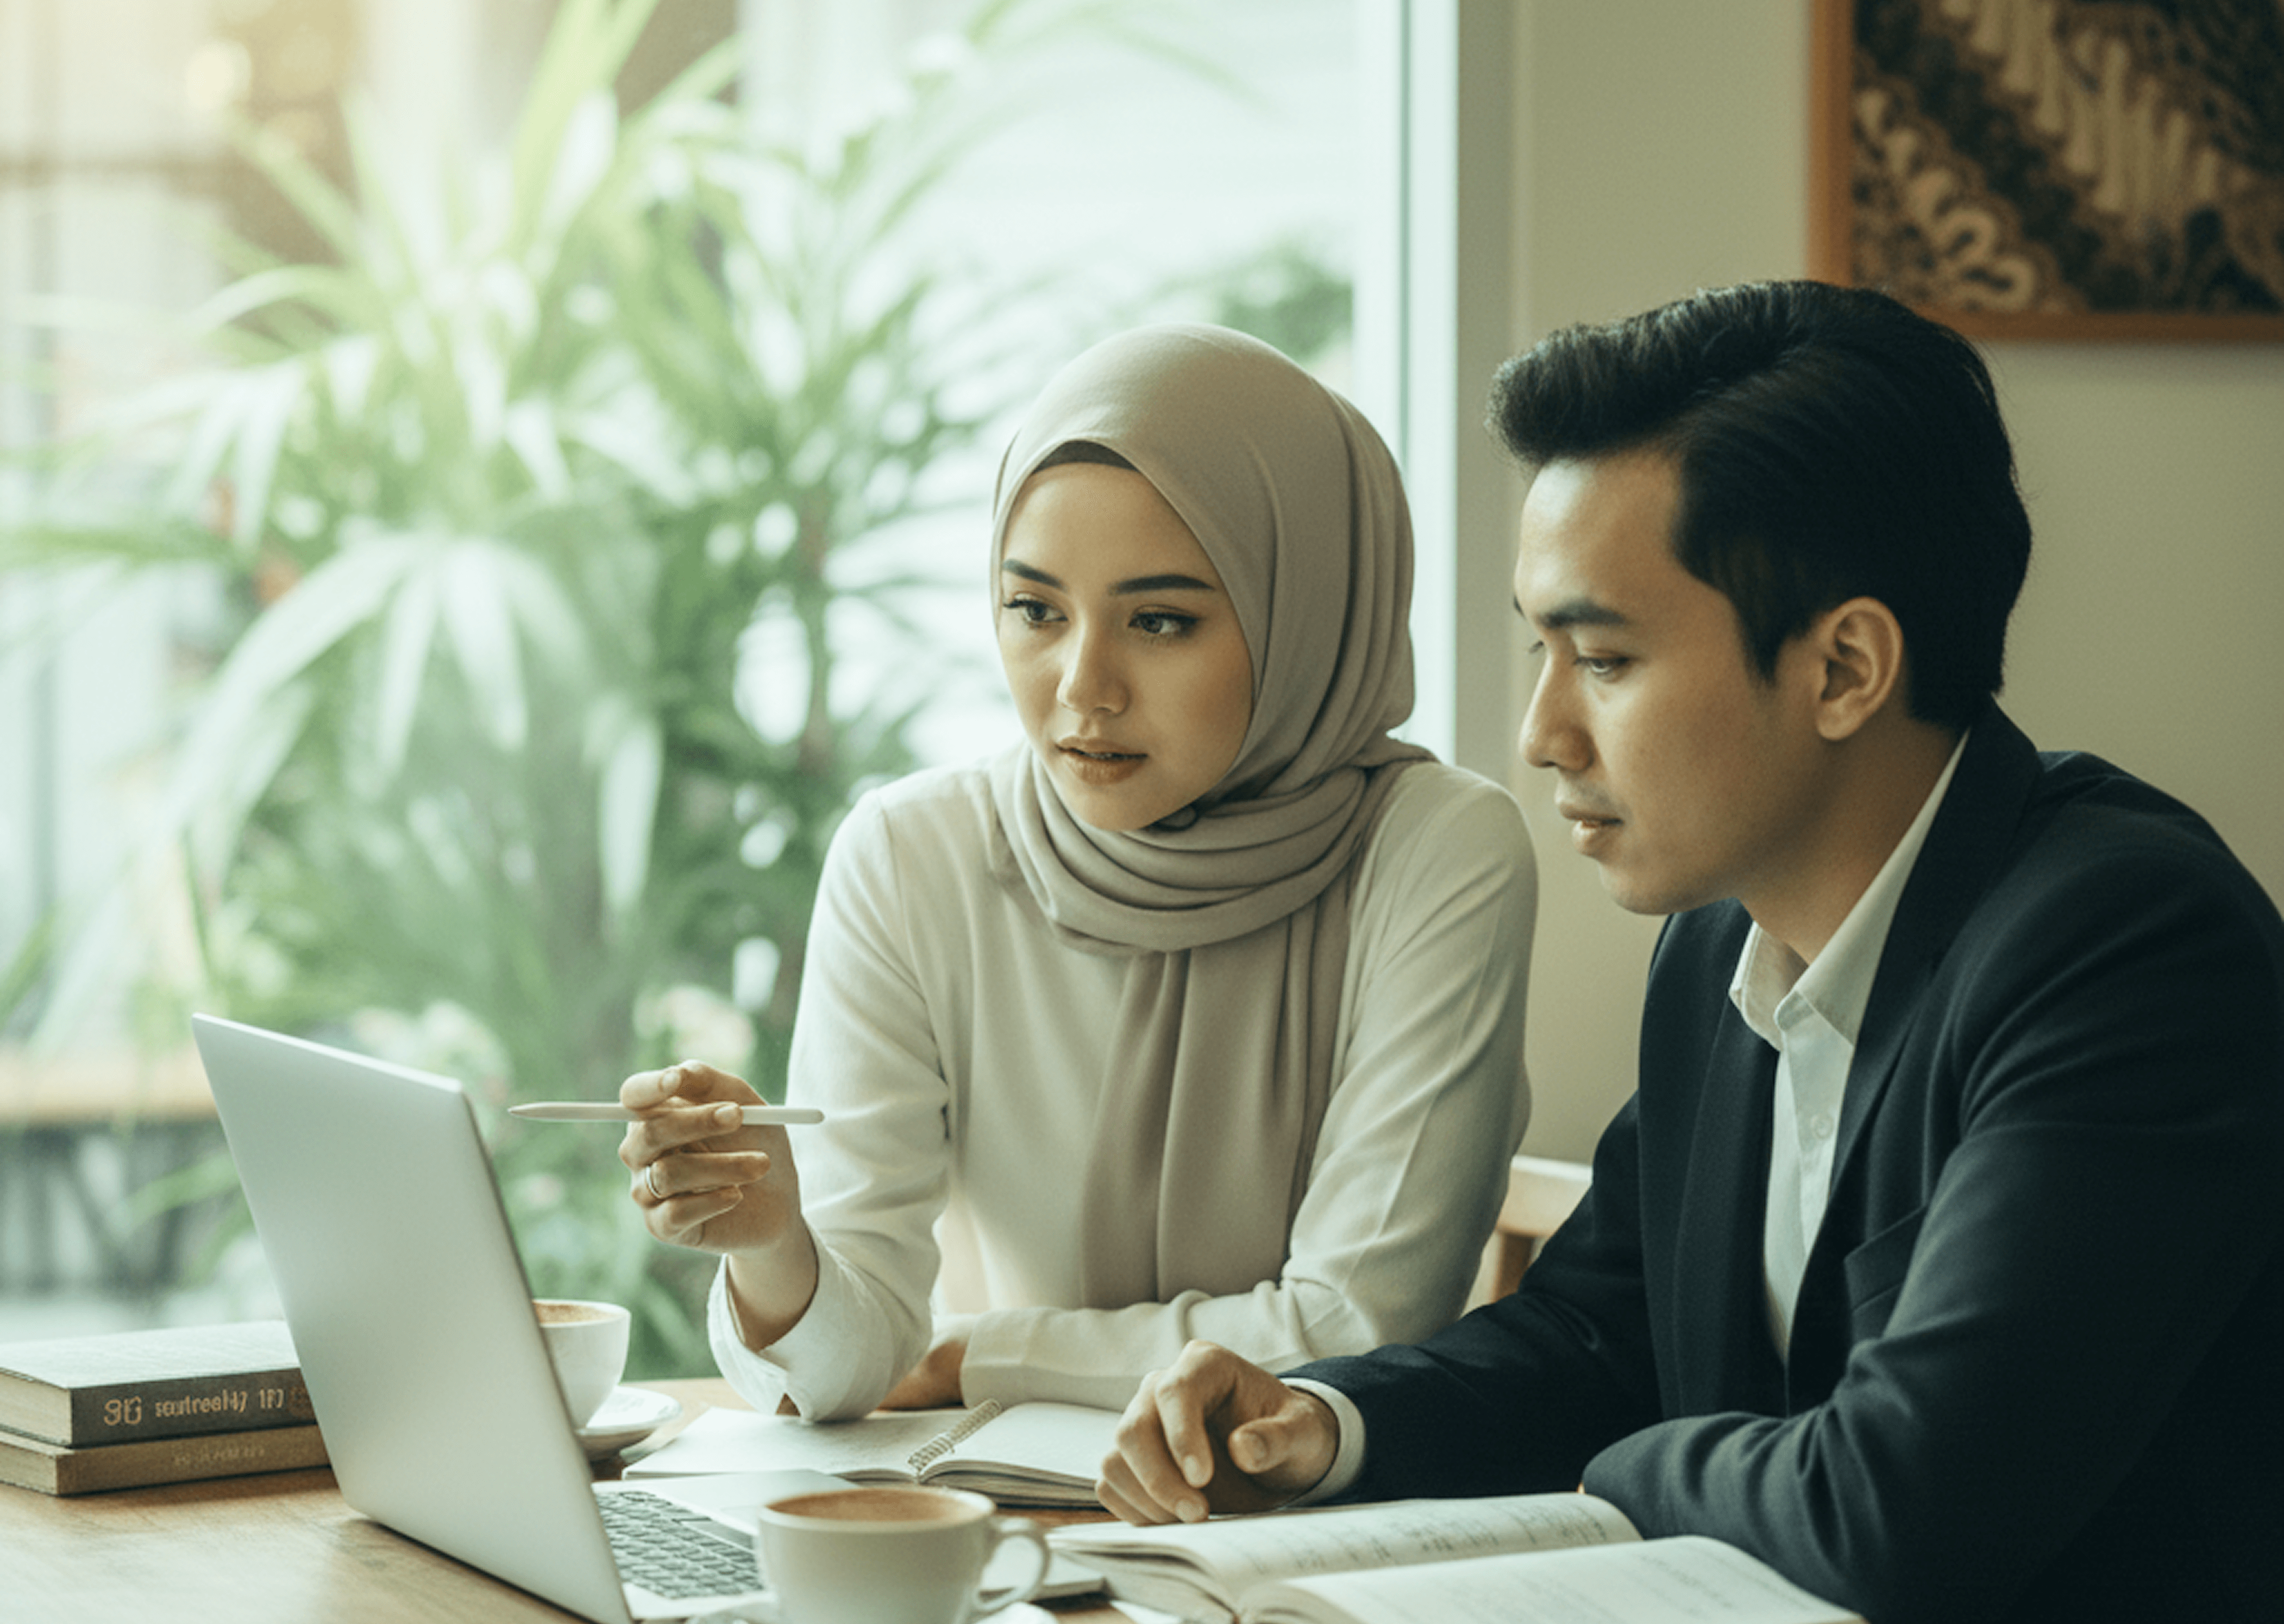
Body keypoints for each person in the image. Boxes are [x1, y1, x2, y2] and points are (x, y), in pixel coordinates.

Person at [1097, 282, 2283, 1624]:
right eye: (1538, 649)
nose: (1542, 732)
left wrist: (1620, 1474)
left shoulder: (2126, 950)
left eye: (1600, 659)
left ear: (1844, 669)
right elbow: (1597, 1334)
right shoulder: (1720, 937)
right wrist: (1321, 1423)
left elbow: (1897, 1510)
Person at [617, 323, 1538, 1419]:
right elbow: (843, 1370)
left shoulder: (1438, 851)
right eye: (1035, 611)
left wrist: (974, 1357)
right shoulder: (914, 857)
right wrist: (773, 1243)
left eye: (1160, 620)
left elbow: (1359, 1327)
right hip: (978, 1518)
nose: (1082, 687)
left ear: (1307, 612)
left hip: (1297, 1534)